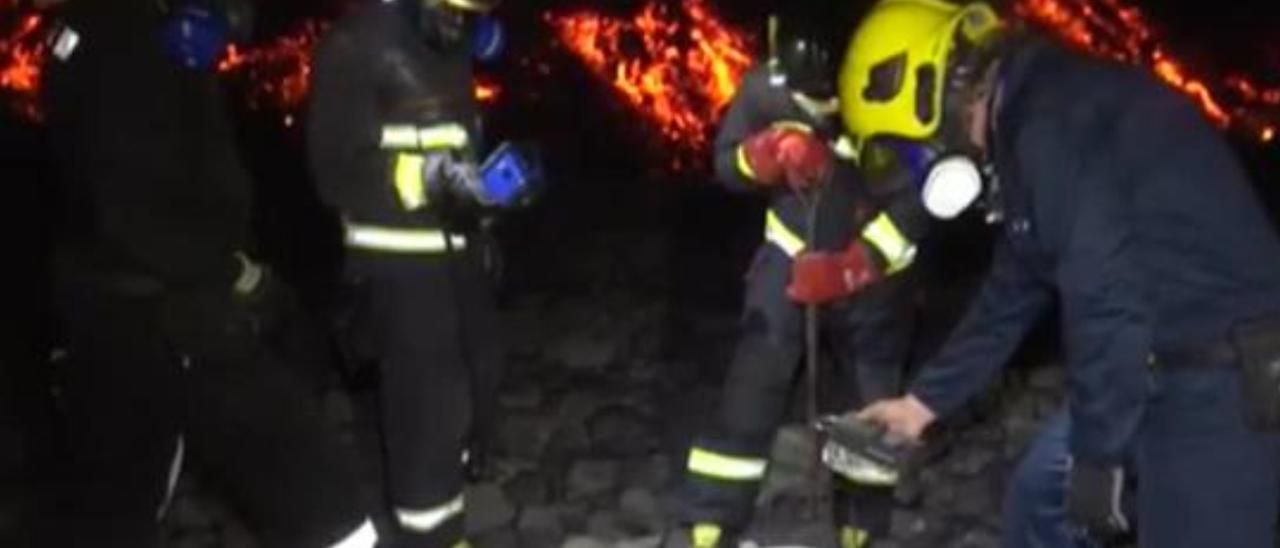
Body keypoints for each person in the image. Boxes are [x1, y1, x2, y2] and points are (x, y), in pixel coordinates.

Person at [791, 1, 1280, 546]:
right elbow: (1015, 286)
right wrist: (920, 404)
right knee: (1041, 498)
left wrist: (1100, 458)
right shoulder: (1031, 114)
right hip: (1153, 362)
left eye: (910, 153)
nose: (920, 167)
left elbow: (1105, 300)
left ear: (936, 95)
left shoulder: (1053, 122)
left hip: (1224, 383)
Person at [37, 0, 376, 546]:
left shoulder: (92, 30)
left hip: (107, 312)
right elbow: (130, 205)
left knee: (114, 502)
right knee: (321, 492)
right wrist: (231, 272)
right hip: (175, 313)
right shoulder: (130, 42)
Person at [670, 2, 929, 546]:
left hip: (875, 276)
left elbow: (919, 203)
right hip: (788, 259)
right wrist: (758, 156)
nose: (817, 109)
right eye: (806, 100)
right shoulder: (768, 86)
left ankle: (861, 527)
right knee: (752, 384)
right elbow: (725, 162)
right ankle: (711, 518)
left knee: (870, 398)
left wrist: (853, 269)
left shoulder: (900, 92)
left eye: (826, 100)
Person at [307, 0, 507, 545]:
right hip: (396, 262)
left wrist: (483, 206)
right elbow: (333, 171)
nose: (461, 22)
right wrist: (426, 180)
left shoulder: (446, 45)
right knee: (426, 411)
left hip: (455, 253)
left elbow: (454, 142)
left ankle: (450, 521)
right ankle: (433, 538)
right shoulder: (355, 44)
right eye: (452, 9)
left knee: (475, 385)